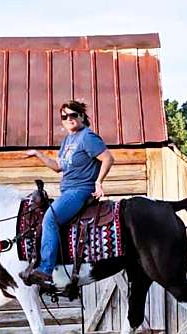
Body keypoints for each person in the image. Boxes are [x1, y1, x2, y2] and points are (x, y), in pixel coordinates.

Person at [21, 100, 114, 288]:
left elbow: (108, 158)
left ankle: (46, 270)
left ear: (81, 116)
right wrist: (38, 154)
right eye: (65, 116)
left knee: (50, 219)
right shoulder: (68, 141)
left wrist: (98, 182)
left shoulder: (87, 137)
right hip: (67, 190)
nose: (69, 119)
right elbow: (58, 167)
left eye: (73, 115)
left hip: (80, 189)